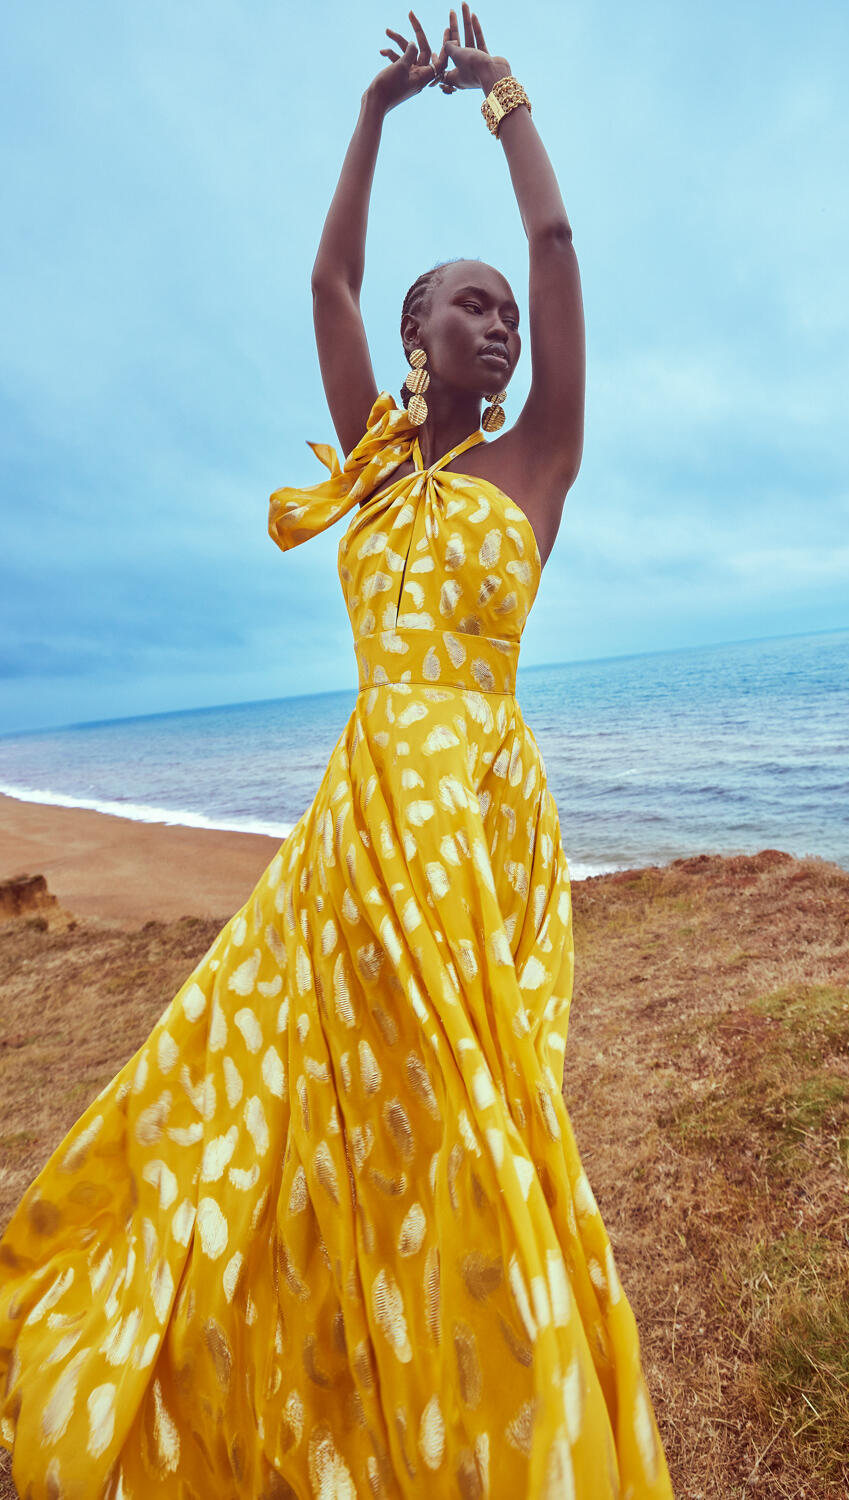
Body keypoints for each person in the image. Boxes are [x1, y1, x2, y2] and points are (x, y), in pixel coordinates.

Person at [0, 7, 675, 1495]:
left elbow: (558, 250)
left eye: (504, 314)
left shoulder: (537, 458)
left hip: (483, 814)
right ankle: (344, 1350)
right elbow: (327, 278)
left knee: (478, 1104)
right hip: (367, 822)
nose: (498, 322)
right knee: (358, 1099)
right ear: (418, 330)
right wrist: (376, 112)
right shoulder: (374, 477)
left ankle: (484, 1377)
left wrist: (503, 98)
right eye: (469, 305)